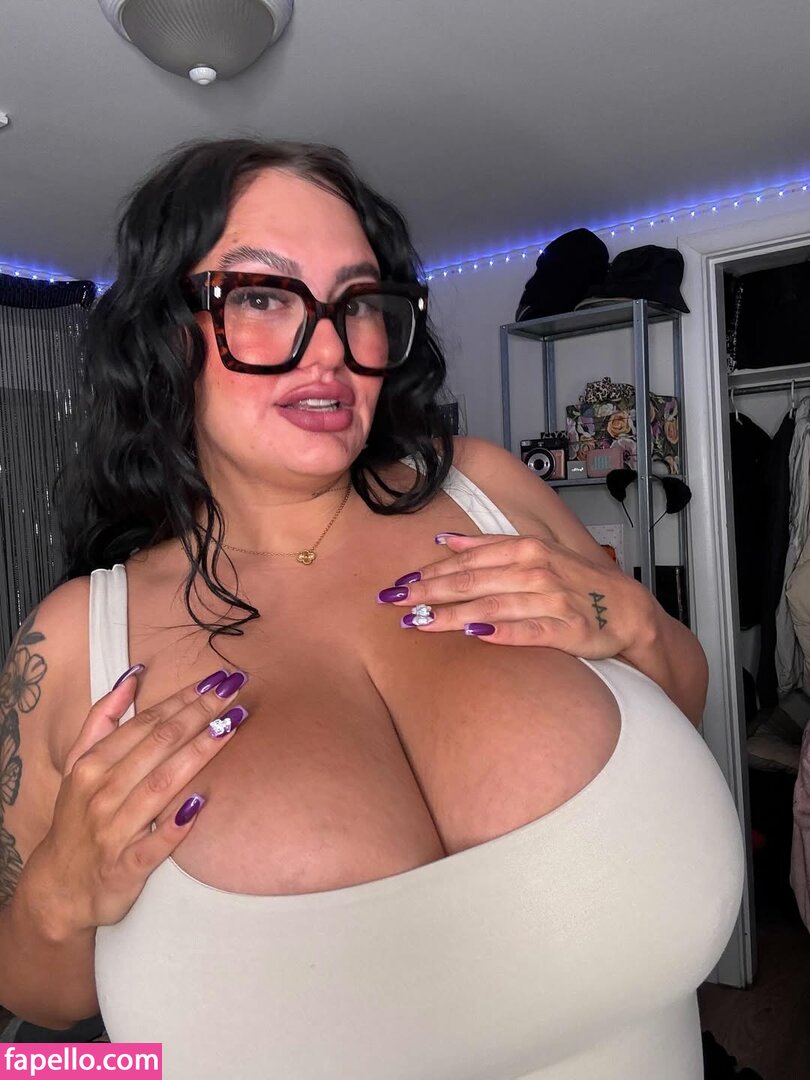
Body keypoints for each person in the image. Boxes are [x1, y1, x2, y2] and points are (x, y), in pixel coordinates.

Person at [0, 138, 743, 1079]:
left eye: (359, 302)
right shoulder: (75, 642)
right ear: (163, 334)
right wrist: (59, 899)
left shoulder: (486, 488)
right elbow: (41, 994)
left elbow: (678, 700)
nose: (331, 349)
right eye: (261, 297)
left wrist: (631, 618)